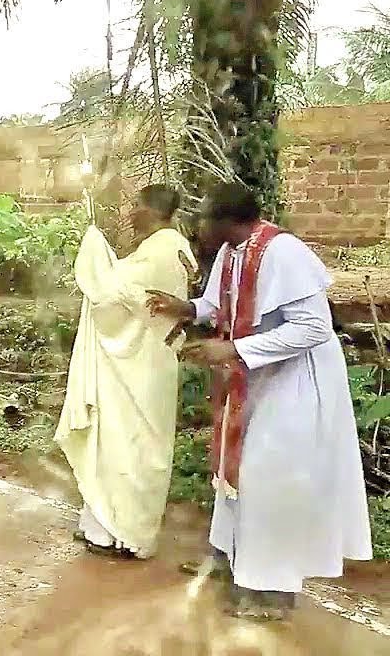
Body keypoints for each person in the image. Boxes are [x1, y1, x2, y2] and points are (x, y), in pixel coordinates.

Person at [148, 182, 371, 620]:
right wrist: (186, 308)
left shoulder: (283, 253)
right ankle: (230, 558)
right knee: (235, 472)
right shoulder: (232, 252)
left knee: (270, 476)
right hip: (256, 377)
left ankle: (273, 591)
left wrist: (233, 350)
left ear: (229, 220)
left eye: (206, 217)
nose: (199, 226)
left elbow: (313, 328)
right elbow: (216, 304)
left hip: (296, 385)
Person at [55, 184, 196, 560]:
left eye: (135, 205)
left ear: (152, 210)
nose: (130, 212)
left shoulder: (161, 252)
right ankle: (104, 527)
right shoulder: (171, 247)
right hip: (141, 364)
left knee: (130, 442)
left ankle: (126, 532)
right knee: (122, 441)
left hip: (139, 368)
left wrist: (93, 248)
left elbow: (111, 291)